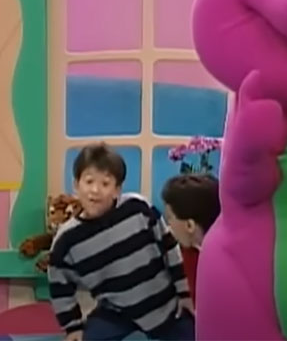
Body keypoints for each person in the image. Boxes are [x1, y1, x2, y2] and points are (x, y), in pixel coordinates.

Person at [47, 142, 194, 341]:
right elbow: (59, 285)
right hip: (115, 312)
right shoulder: (67, 240)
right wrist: (73, 327)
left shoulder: (138, 208)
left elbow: (170, 248)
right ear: (76, 185)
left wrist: (184, 294)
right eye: (89, 181)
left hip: (164, 303)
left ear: (117, 189)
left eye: (105, 184)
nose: (95, 190)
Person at [161, 173, 221, 309]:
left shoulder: (223, 267)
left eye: (170, 219)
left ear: (190, 225)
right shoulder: (182, 252)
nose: (168, 227)